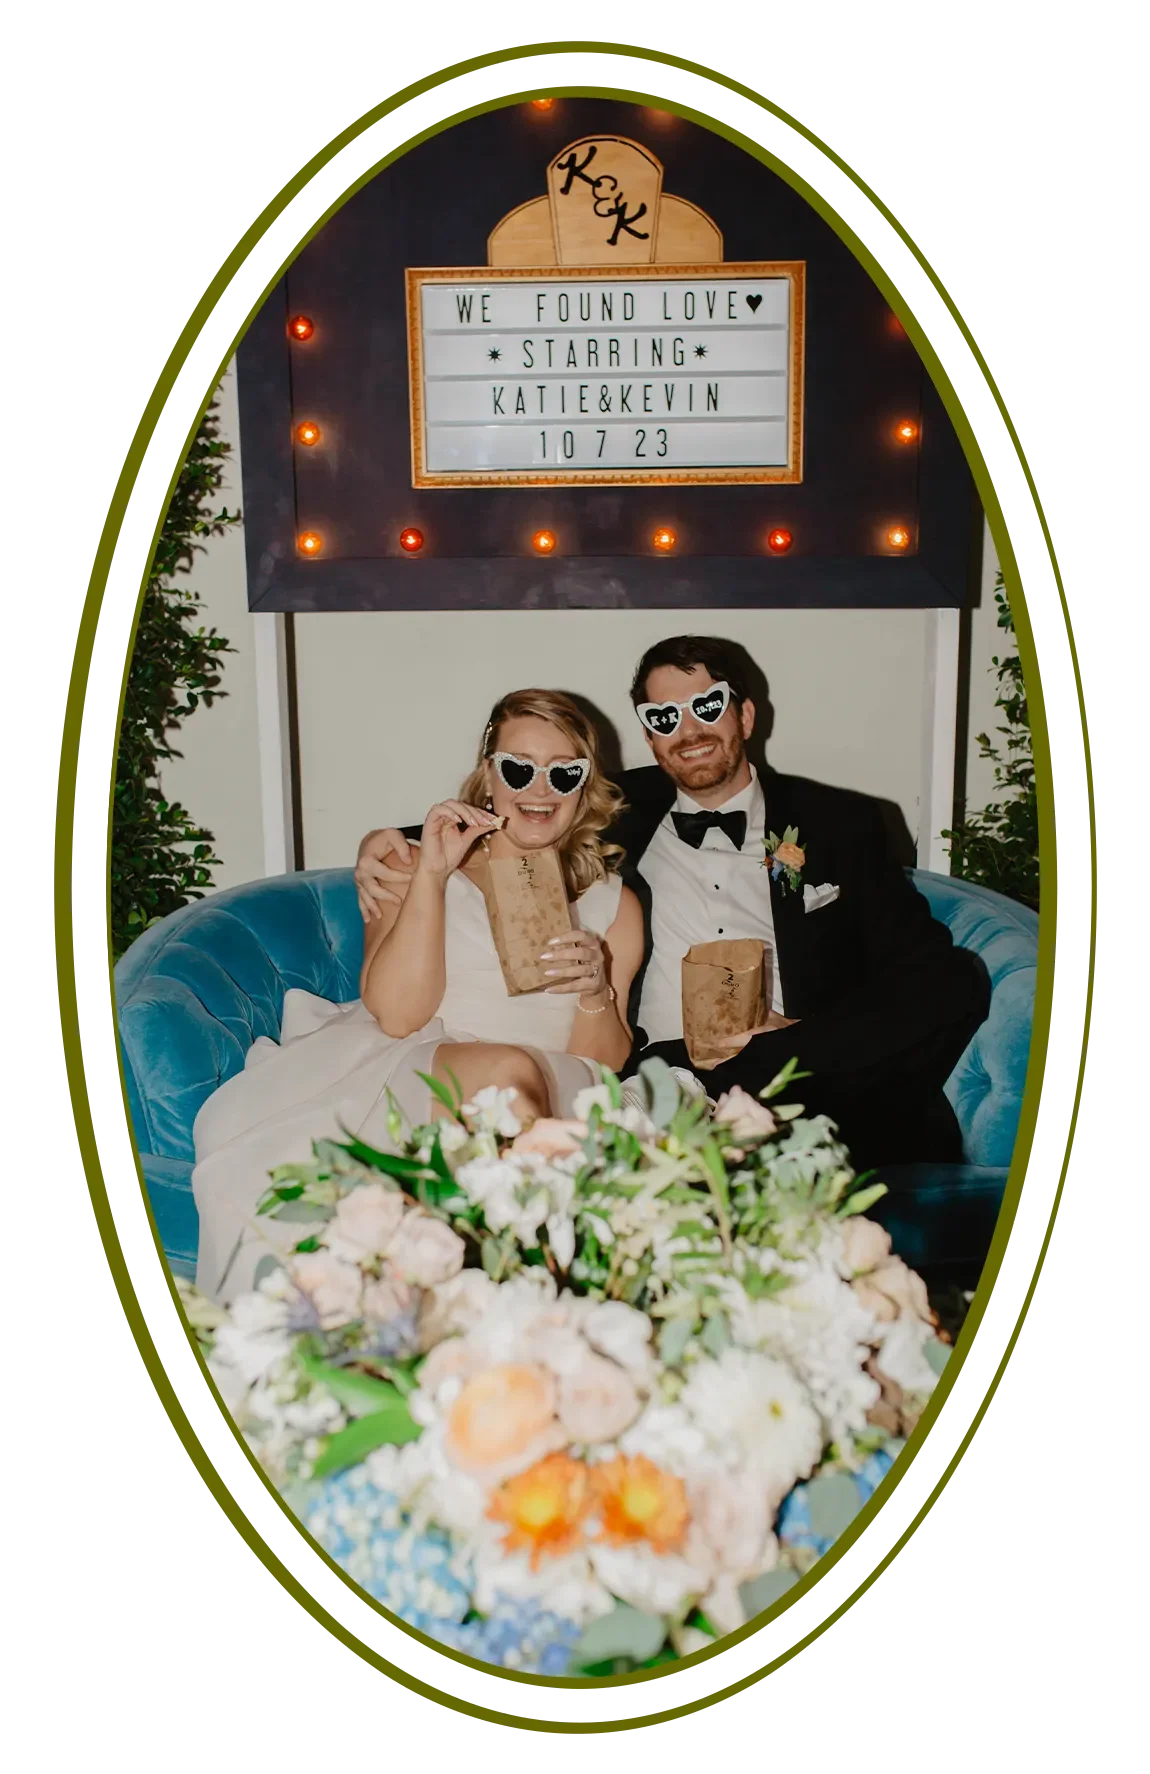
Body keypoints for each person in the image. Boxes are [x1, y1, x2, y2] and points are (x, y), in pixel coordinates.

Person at [356, 637, 991, 1172]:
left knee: (958, 978)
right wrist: (387, 841)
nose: (686, 731)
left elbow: (929, 972)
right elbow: (520, 806)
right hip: (665, 1074)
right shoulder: (616, 807)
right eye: (663, 718)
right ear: (649, 737)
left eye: (706, 707)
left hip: (806, 1064)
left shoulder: (841, 822)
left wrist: (799, 1038)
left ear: (744, 715)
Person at [191, 689, 645, 1302]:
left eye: (563, 773)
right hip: (424, 1063)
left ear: (584, 785)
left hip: (558, 1080)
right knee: (507, 1078)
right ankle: (526, 1297)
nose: (540, 790)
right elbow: (399, 1014)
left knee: (525, 1084)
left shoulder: (615, 904)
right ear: (489, 774)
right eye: (519, 768)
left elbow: (603, 1061)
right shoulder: (410, 863)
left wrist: (596, 989)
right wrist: (431, 875)